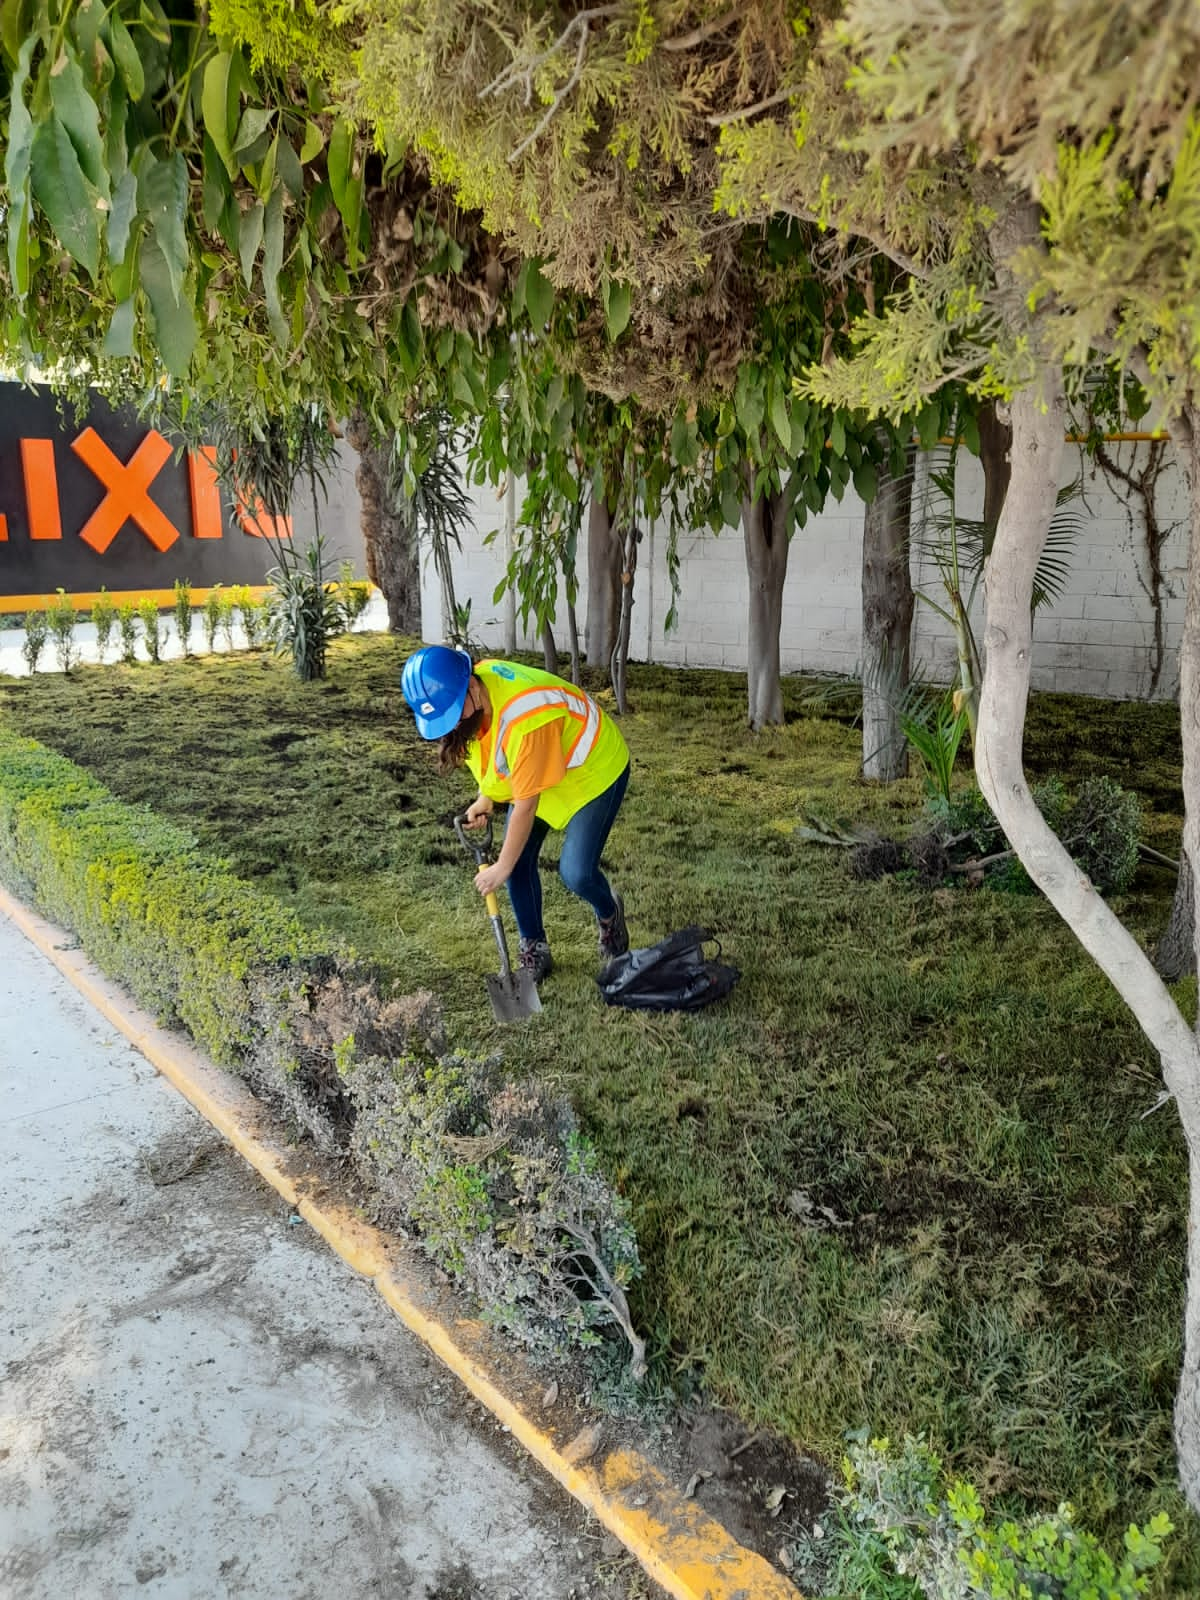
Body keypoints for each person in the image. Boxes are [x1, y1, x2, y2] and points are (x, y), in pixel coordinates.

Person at [401, 645, 630, 981]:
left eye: (454, 712)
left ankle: (610, 915)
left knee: (576, 872)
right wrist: (486, 798)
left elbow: (525, 805)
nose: (453, 722)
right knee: (521, 859)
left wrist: (501, 867)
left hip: (592, 768)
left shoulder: (525, 717)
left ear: (472, 686)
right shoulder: (472, 704)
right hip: (544, 765)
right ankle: (535, 947)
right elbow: (494, 755)